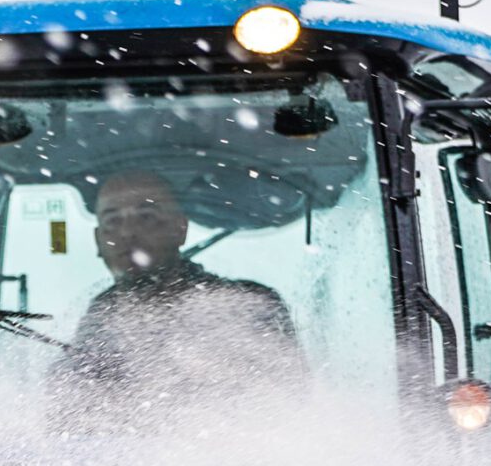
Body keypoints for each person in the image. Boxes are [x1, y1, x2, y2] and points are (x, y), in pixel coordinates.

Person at [53, 169, 304, 402]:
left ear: (179, 229)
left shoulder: (248, 305)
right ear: (99, 240)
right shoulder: (98, 318)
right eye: (112, 221)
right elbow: (67, 418)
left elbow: (288, 406)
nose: (128, 232)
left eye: (147, 217)